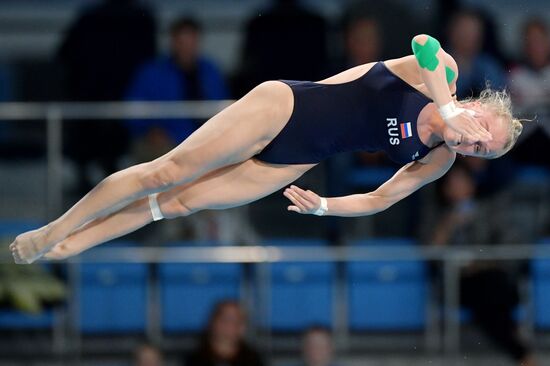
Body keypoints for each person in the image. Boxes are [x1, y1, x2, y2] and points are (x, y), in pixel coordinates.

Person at [11, 34, 523, 264]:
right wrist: (447, 106)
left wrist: (325, 205)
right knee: (165, 172)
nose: (472, 142)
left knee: (180, 203)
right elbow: (423, 44)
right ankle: (54, 229)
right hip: (285, 107)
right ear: (476, 104)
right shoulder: (444, 74)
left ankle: (80, 242)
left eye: (481, 150)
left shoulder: (439, 158)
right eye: (480, 128)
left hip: (298, 158)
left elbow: (379, 199)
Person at [430, 164, 535, 366]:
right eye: (451, 183)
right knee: (488, 299)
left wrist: (480, 263)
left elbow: (508, 245)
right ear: (444, 188)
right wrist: (449, 224)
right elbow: (431, 252)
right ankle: (521, 351)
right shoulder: (436, 214)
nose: (457, 186)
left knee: (489, 294)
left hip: (492, 276)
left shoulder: (489, 210)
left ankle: (520, 353)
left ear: (472, 184)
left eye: (461, 181)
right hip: (457, 283)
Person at [57, 0, 156, 193]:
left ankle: (105, 185)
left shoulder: (139, 18)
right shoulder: (91, 17)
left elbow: (64, 54)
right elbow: (65, 54)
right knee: (100, 151)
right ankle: (99, 185)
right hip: (96, 96)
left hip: (116, 96)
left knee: (110, 154)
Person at [126, 17, 229, 162]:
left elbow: (223, 108)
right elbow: (132, 109)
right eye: (182, 42)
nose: (187, 48)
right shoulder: (152, 72)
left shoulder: (210, 70)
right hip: (165, 141)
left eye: (191, 42)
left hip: (205, 139)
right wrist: (149, 131)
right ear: (173, 42)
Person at [183, 300, 264, 366]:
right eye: (226, 320)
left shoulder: (252, 360)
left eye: (238, 321)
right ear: (213, 322)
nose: (231, 326)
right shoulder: (195, 359)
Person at [447, 10, 506, 99]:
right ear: (451, 32)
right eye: (464, 31)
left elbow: (497, 98)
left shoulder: (489, 66)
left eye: (473, 32)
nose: (468, 36)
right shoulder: (437, 62)